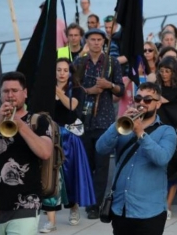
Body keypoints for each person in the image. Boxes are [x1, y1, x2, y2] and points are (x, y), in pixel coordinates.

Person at [96, 82, 177, 234]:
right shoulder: (123, 127)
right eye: (138, 98)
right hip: (122, 208)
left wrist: (141, 133)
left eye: (147, 100)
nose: (141, 103)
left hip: (149, 211)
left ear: (158, 104)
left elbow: (162, 158)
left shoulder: (167, 131)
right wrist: (116, 125)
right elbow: (101, 148)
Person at [73, 28, 125, 219]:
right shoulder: (79, 62)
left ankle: (96, 204)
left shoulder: (111, 63)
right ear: (87, 41)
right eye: (92, 39)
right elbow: (73, 88)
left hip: (104, 120)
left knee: (102, 165)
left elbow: (121, 89)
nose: (96, 42)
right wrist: (90, 90)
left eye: (99, 39)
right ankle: (86, 200)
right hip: (84, 120)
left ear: (104, 41)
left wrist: (108, 85)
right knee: (86, 164)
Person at [39, 59, 96, 233]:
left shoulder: (77, 90)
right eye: (58, 70)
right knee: (50, 176)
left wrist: (56, 89)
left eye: (65, 70)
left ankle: (74, 208)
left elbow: (71, 106)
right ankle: (51, 221)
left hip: (70, 137)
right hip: (51, 137)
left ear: (70, 73)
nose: (62, 73)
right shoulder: (44, 90)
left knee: (72, 175)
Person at [0, 72, 54, 234]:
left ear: (25, 93)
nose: (10, 95)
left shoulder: (39, 121)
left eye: (15, 91)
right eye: (5, 91)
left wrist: (21, 125)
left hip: (26, 204)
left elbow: (45, 152)